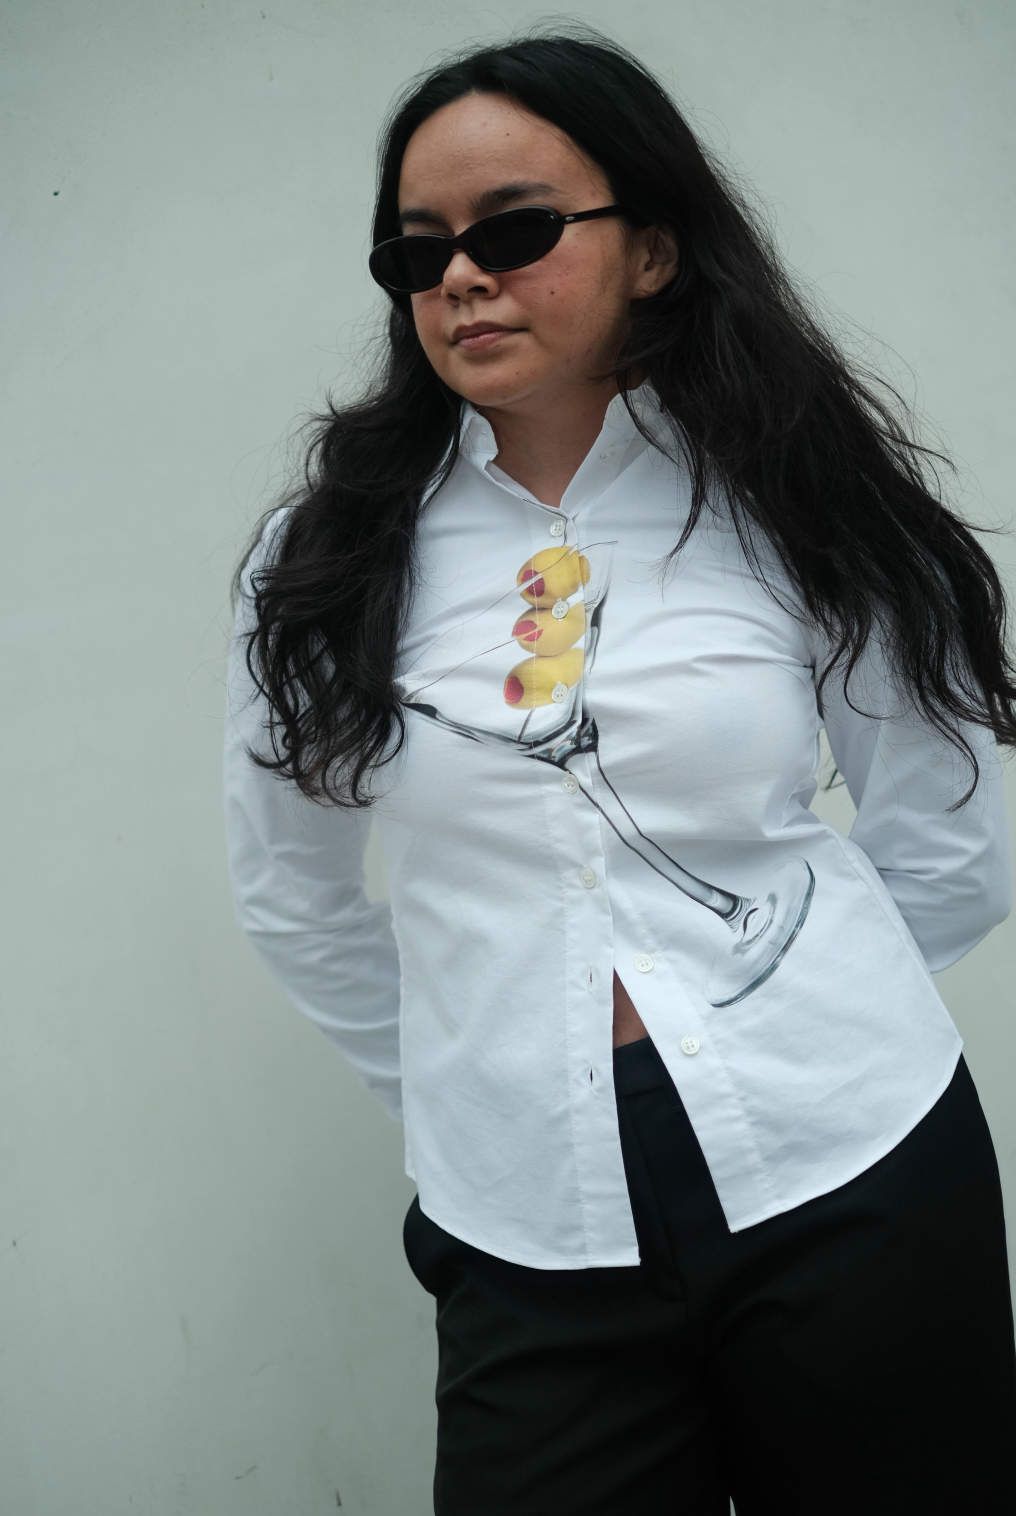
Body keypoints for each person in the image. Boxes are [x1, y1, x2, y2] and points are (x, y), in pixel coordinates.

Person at [224, 29, 1016, 1515]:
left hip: (851, 1167)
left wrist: (794, 1011)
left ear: (653, 248)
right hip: (529, 1220)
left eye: (516, 230)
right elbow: (293, 893)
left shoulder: (793, 496)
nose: (464, 278)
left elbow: (948, 829)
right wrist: (475, 1085)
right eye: (420, 252)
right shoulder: (327, 553)